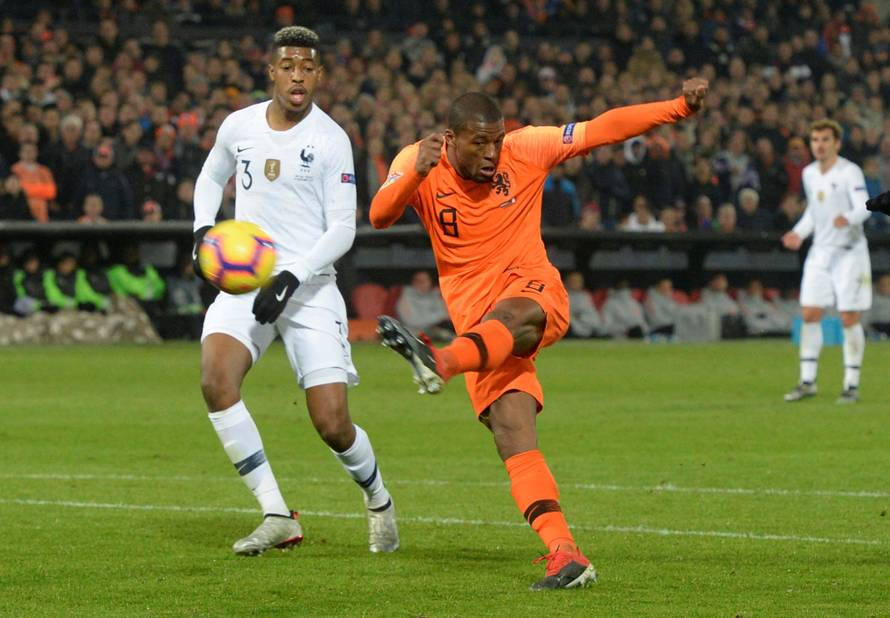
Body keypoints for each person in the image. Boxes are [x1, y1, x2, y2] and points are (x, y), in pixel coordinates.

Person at [370, 78, 708, 589]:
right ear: (451, 137)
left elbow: (602, 129)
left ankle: (437, 362)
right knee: (515, 440)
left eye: (496, 140)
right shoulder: (418, 160)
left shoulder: (526, 149)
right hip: (477, 330)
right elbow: (379, 216)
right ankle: (566, 554)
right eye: (479, 142)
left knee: (513, 316)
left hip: (529, 294)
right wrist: (414, 175)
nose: (491, 153)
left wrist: (677, 107)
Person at [192, 26, 398, 557]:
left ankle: (378, 500)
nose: (298, 75)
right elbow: (211, 177)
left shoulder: (330, 140)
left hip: (308, 285)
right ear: (273, 72)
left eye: (307, 67)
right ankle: (276, 513)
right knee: (217, 380)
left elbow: (343, 229)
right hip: (248, 279)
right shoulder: (239, 125)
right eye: (288, 66)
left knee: (331, 422)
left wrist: (292, 277)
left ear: (319, 75)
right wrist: (201, 232)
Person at [781, 119, 872, 404]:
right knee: (809, 313)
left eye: (825, 140)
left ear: (837, 144)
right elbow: (814, 212)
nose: (819, 145)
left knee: (848, 317)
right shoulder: (809, 174)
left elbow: (864, 207)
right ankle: (807, 381)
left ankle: (851, 384)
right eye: (815, 140)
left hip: (849, 251)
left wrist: (849, 218)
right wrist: (798, 233)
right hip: (820, 251)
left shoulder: (849, 172)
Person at [395, 270, 453, 340]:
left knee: (451, 337)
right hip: (411, 334)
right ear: (413, 282)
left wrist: (439, 318)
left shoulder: (435, 295)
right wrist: (438, 318)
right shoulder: (405, 298)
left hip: (434, 331)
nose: (423, 284)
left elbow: (445, 313)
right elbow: (412, 321)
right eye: (419, 281)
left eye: (425, 281)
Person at [564, 271, 606, 338]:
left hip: (587, 328)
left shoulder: (585, 296)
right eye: (573, 281)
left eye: (578, 281)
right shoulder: (561, 295)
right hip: (570, 331)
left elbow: (594, 318)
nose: (576, 283)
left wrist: (581, 317)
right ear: (566, 282)